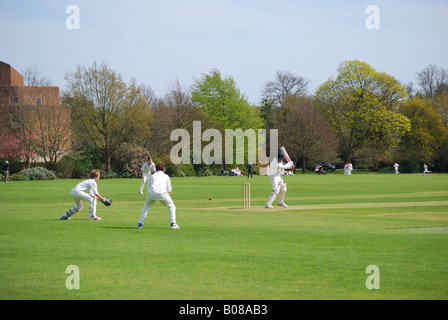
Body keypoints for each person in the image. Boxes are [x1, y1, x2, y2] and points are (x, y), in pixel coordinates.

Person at [137, 163, 179, 229]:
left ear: (156, 169)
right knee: (171, 206)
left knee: (146, 206)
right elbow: (169, 190)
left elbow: (148, 187)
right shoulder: (166, 176)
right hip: (163, 194)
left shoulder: (152, 176)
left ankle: (140, 224)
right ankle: (173, 224)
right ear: (164, 170)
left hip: (151, 193)